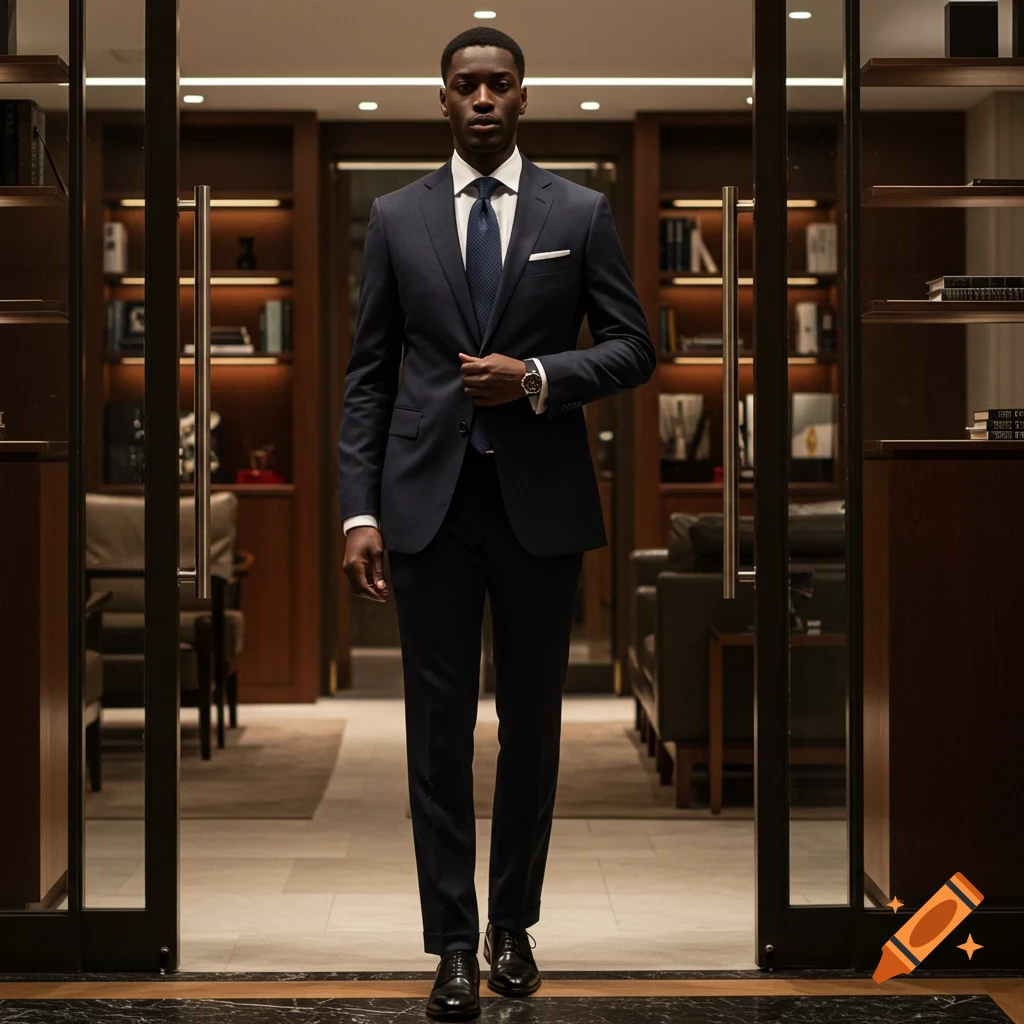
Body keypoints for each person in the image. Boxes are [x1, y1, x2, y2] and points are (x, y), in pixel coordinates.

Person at [338, 25, 654, 1022]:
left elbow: (634, 348)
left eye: (498, 85)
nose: (482, 99)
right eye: (465, 86)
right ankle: (453, 944)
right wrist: (358, 507)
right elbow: (367, 378)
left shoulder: (581, 211)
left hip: (539, 509)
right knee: (436, 735)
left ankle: (514, 923)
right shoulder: (395, 217)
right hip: (425, 507)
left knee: (532, 729)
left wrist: (540, 377)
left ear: (523, 98)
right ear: (441, 100)